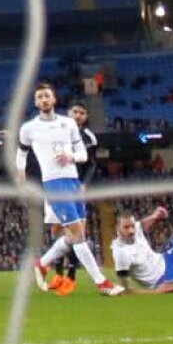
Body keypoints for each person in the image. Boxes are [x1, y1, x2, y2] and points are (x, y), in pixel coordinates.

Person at [23, 83, 124, 296]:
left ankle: (43, 264)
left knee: (74, 235)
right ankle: (101, 283)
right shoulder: (30, 128)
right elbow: (21, 151)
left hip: (74, 183)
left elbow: (86, 157)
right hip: (54, 184)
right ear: (36, 102)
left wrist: (72, 157)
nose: (43, 100)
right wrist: (20, 173)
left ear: (54, 99)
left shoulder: (69, 126)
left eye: (47, 96)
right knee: (72, 233)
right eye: (40, 97)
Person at [53, 99, 99, 287]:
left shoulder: (90, 138)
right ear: (69, 113)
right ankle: (57, 272)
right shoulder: (57, 130)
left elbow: (92, 164)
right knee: (57, 230)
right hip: (56, 184)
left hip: (75, 188)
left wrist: (84, 184)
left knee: (76, 231)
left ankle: (71, 274)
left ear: (86, 116)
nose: (78, 115)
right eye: (75, 111)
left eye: (82, 112)